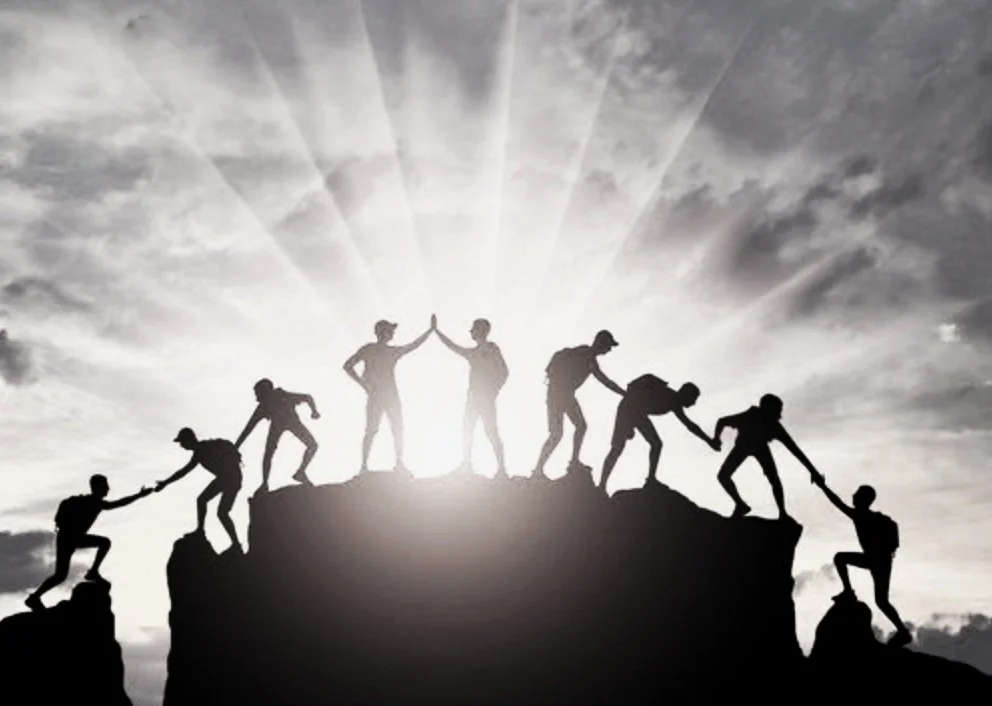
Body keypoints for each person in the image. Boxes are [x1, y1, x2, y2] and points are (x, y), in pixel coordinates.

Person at [25, 475, 152, 611]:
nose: (108, 488)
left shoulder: (90, 501)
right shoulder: (94, 502)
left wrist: (139, 495)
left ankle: (34, 598)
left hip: (67, 538)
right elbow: (118, 503)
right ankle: (93, 572)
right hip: (70, 538)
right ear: (97, 488)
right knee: (103, 543)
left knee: (60, 575)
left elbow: (116, 504)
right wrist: (139, 495)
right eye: (105, 486)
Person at [812, 478, 913, 647]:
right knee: (882, 601)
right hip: (881, 562)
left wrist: (822, 486)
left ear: (863, 499)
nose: (853, 495)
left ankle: (848, 591)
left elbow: (837, 502)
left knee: (840, 558)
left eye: (857, 494)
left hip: (876, 560)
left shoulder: (861, 516)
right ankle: (902, 632)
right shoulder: (870, 517)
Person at [343, 316, 434, 474]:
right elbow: (347, 366)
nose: (392, 333)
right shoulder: (370, 349)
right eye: (390, 330)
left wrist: (429, 331)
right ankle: (364, 466)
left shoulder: (390, 351)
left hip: (390, 396)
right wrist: (363, 385)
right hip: (378, 395)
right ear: (382, 332)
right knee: (373, 430)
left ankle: (398, 463)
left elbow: (413, 345)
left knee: (395, 428)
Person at [532, 330, 625, 480]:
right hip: (560, 395)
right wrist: (624, 393)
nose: (609, 350)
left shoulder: (589, 358)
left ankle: (552, 466)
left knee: (568, 430)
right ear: (601, 343)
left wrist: (623, 393)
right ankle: (544, 468)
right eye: (609, 346)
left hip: (561, 395)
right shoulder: (585, 355)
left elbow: (605, 381)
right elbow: (605, 381)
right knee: (565, 431)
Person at [599, 375, 719, 490]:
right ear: (686, 394)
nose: (694, 403)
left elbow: (690, 425)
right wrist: (629, 424)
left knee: (656, 444)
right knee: (618, 448)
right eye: (693, 399)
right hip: (628, 408)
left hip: (638, 413)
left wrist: (709, 441)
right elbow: (643, 380)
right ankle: (602, 485)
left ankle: (651, 479)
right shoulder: (666, 394)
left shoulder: (674, 403)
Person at [712, 393, 820, 520]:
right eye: (778, 410)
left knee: (773, 478)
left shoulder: (773, 425)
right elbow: (722, 421)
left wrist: (813, 471)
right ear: (768, 409)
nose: (780, 414)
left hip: (757, 448)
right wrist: (716, 438)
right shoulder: (751, 416)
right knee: (723, 476)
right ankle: (741, 505)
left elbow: (795, 450)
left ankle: (781, 512)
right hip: (744, 446)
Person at [435, 317, 509, 477]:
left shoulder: (491, 348)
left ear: (481, 331)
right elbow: (453, 346)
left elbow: (504, 372)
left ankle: (501, 469)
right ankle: (466, 465)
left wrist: (493, 391)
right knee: (467, 429)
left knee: (490, 431)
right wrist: (437, 331)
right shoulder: (473, 352)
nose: (470, 332)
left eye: (473, 329)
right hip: (473, 399)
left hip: (485, 398)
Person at [155, 427, 244, 553]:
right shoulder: (200, 451)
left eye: (182, 442)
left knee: (217, 509)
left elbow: (184, 471)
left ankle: (232, 543)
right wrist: (165, 483)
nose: (181, 446)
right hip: (228, 478)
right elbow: (184, 471)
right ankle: (227, 540)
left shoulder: (202, 449)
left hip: (230, 478)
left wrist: (165, 483)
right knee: (210, 505)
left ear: (188, 440)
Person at [234, 378, 320, 493]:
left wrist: (314, 411)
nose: (259, 398)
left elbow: (307, 397)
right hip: (280, 425)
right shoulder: (264, 406)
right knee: (269, 453)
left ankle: (300, 472)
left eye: (259, 394)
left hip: (291, 423)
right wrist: (235, 447)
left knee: (312, 445)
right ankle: (266, 483)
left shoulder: (281, 396)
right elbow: (248, 429)